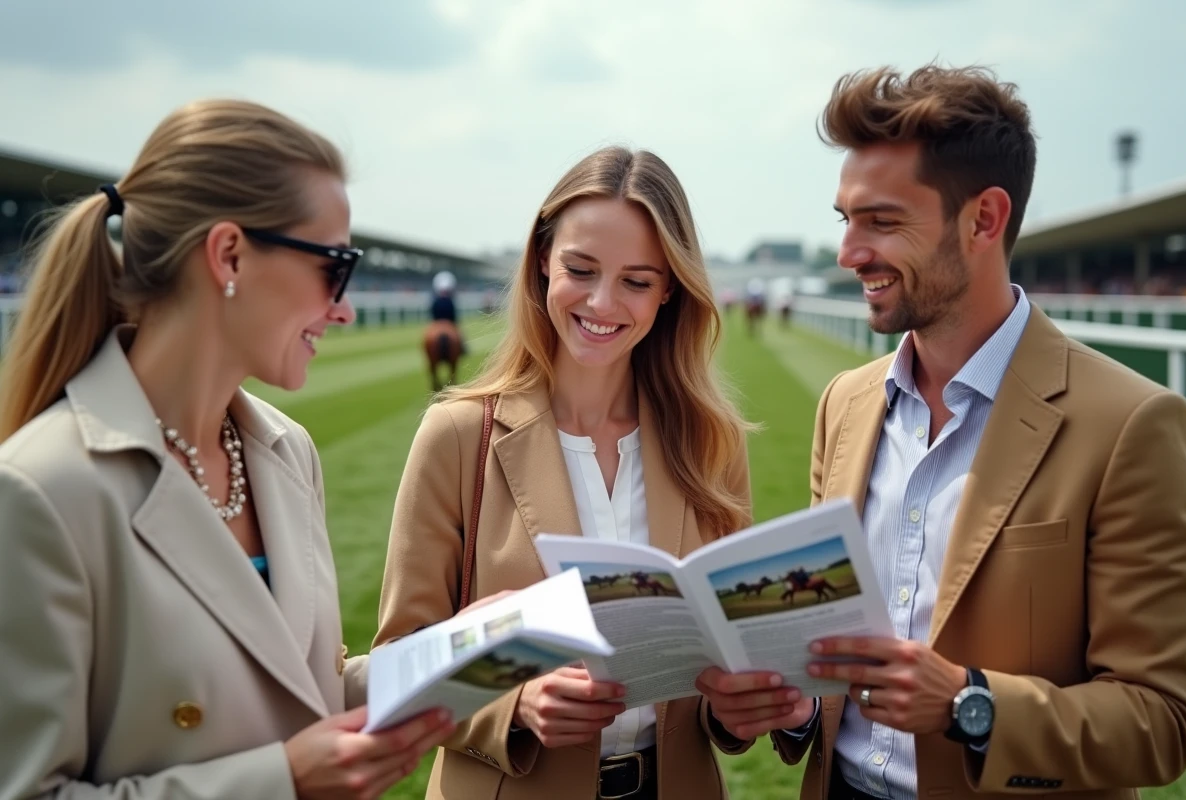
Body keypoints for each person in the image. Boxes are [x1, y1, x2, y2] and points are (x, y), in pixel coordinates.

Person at [705, 64, 1186, 799]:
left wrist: (973, 705)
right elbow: (835, 657)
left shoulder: (1133, 423)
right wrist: (794, 706)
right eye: (847, 219)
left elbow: (1164, 722)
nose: (848, 254)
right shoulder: (845, 403)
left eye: (882, 221)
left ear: (984, 219)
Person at [0, 99, 471, 800]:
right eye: (333, 266)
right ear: (228, 255)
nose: (343, 307)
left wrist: (464, 651)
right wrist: (280, 783)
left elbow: (297, 694)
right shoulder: (40, 488)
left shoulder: (287, 450)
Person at [372, 145, 756, 799]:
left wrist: (739, 704)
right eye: (581, 269)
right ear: (542, 260)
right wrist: (512, 704)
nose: (603, 303)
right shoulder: (460, 435)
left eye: (637, 280)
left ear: (669, 290)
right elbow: (393, 664)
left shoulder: (710, 443)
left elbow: (727, 657)